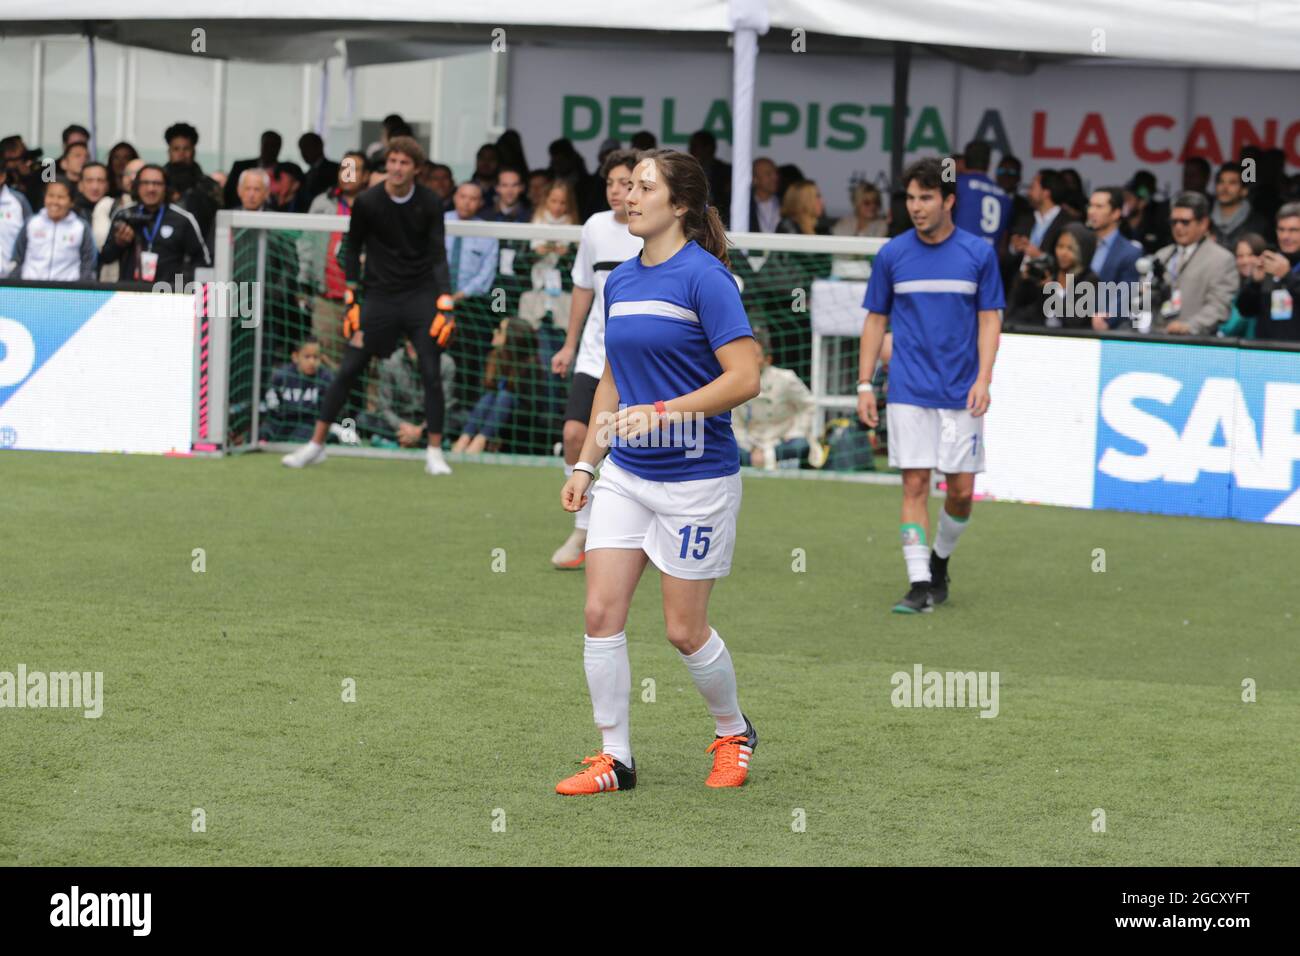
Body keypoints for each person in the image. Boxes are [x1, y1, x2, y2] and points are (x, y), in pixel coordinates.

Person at [555, 148, 762, 795]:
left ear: (680, 206)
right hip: (628, 476)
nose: (629, 196)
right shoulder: (620, 281)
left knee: (682, 630)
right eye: (628, 187)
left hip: (698, 481)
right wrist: (588, 463)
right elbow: (613, 379)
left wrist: (667, 411)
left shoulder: (707, 279)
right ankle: (615, 759)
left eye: (645, 187)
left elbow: (746, 377)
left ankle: (734, 732)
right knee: (599, 614)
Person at [857, 157, 1003, 614]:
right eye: (910, 198)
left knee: (960, 492)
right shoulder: (892, 255)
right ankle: (920, 583)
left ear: (949, 200)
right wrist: (864, 383)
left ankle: (939, 562)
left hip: (962, 392)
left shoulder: (978, 254)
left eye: (926, 198)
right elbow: (875, 320)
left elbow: (989, 319)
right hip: (908, 389)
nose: (916, 207)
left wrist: (983, 378)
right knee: (915, 483)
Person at [280, 136, 454, 475]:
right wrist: (352, 298)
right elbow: (352, 249)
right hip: (379, 298)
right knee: (348, 369)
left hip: (420, 297)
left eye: (404, 162)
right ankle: (315, 445)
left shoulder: (431, 202)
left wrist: (445, 301)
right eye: (392, 161)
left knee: (432, 372)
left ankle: (434, 452)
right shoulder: (368, 202)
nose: (397, 168)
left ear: (416, 169)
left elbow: (437, 253)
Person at [549, 149, 642, 569]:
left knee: (641, 443)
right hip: (594, 354)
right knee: (574, 433)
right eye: (611, 184)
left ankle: (644, 534)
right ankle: (583, 531)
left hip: (641, 358)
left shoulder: (653, 229)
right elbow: (583, 288)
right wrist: (569, 344)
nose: (618, 191)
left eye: (627, 183)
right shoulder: (593, 227)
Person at [302, 151, 369, 368]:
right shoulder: (322, 202)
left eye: (355, 169)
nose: (347, 174)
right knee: (327, 362)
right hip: (328, 298)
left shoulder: (375, 203)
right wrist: (304, 280)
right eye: (344, 168)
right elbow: (306, 243)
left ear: (366, 175)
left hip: (366, 300)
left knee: (370, 363)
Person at [100, 164, 211, 285]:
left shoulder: (183, 219)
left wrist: (183, 286)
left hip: (169, 295)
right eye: (145, 183)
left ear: (166, 187)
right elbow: (106, 257)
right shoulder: (124, 215)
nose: (151, 188)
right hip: (129, 295)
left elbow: (202, 261)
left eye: (157, 183)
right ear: (137, 186)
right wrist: (118, 244)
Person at [732, 325, 821, 469]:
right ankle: (755, 460)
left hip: (783, 441)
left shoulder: (786, 379)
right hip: (751, 444)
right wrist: (751, 448)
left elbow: (809, 406)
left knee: (801, 446)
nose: (749, 359)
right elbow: (736, 424)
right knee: (728, 449)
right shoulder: (735, 383)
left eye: (755, 355)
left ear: (768, 359)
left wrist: (796, 432)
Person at [1151, 192, 1239, 336]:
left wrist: (1189, 326)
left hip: (1197, 343)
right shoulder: (1161, 256)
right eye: (1174, 222)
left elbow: (1219, 306)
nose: (1178, 227)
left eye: (1185, 222)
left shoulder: (1222, 259)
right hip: (1157, 336)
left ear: (1203, 223)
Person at [451, 317, 541, 454]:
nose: (495, 332)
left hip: (520, 419)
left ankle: (480, 441)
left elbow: (529, 404)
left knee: (505, 396)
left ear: (512, 337)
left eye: (500, 330)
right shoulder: (494, 357)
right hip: (491, 416)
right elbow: (485, 393)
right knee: (490, 395)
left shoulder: (531, 364)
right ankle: (464, 439)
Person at [358, 339, 457, 446]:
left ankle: (393, 441)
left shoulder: (446, 363)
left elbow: (445, 405)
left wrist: (421, 430)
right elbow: (385, 407)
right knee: (362, 419)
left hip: (431, 421)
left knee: (459, 419)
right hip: (400, 420)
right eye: (409, 339)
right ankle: (426, 442)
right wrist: (403, 426)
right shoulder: (391, 361)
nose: (411, 344)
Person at [1008, 222, 1098, 329]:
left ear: (1083, 252)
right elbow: (1030, 309)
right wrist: (1024, 282)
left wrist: (1051, 292)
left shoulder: (1090, 280)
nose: (1063, 253)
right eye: (1060, 246)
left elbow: (1074, 321)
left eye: (1070, 249)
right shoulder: (1050, 272)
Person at [8, 177, 97, 281]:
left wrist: (81, 287)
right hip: (31, 290)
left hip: (68, 292)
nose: (55, 202)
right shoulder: (31, 223)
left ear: (71, 201)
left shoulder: (81, 227)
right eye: (50, 196)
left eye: (61, 197)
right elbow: (17, 258)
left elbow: (88, 263)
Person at [1235, 203, 1300, 342]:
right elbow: (1245, 310)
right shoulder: (1270, 261)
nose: (1285, 236)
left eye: (1293, 230)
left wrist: (1288, 277)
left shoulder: (1282, 268)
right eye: (1281, 230)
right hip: (1267, 352)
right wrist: (1255, 284)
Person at [1086, 186, 1143, 330]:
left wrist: (1107, 319)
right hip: (1072, 321)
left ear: (1116, 213)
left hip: (1107, 328)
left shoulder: (1130, 252)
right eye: (1090, 205)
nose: (1091, 211)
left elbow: (1126, 294)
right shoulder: (1080, 244)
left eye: (1099, 206)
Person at [259, 336, 335, 443]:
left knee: (308, 437)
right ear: (295, 357)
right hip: (282, 422)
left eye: (316, 357)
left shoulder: (326, 378)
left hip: (308, 424)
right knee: (262, 434)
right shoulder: (280, 376)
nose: (312, 362)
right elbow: (271, 406)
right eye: (307, 357)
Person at [444, 183, 499, 299]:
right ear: (454, 197)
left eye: (473, 199)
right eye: (462, 197)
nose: (466, 203)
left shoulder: (487, 233)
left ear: (481, 203)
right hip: (433, 294)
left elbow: (487, 272)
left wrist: (462, 294)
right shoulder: (438, 221)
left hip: (472, 301)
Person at [953, 141, 1011, 249]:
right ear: (989, 164)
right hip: (988, 257)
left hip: (960, 253)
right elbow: (1003, 244)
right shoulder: (1004, 196)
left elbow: (939, 189)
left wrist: (951, 167)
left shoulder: (957, 184)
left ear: (964, 162)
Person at [1211, 163, 1271, 250]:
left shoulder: (1258, 224)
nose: (1225, 188)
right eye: (1221, 182)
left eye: (1232, 183)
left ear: (1244, 190)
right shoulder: (1203, 219)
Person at [1220, 233, 1268, 339]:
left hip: (1262, 347)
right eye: (1240, 256)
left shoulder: (1270, 286)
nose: (1245, 261)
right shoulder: (1230, 285)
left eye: (1251, 255)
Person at [225, 131, 282, 209]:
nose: (251, 194)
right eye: (267, 145)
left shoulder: (286, 171)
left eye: (273, 146)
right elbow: (228, 194)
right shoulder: (240, 167)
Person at [0, 160, 34, 276]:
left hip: (13, 280)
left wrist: (17, 271)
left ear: (2, 177)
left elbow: (31, 237)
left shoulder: (19, 201)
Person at [298, 132, 338, 205]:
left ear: (319, 146)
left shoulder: (335, 169)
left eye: (307, 147)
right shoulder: (305, 175)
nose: (304, 152)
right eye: (302, 149)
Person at [748, 157, 782, 233]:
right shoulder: (745, 206)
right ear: (754, 179)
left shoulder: (786, 203)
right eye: (768, 174)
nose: (775, 177)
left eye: (775, 173)